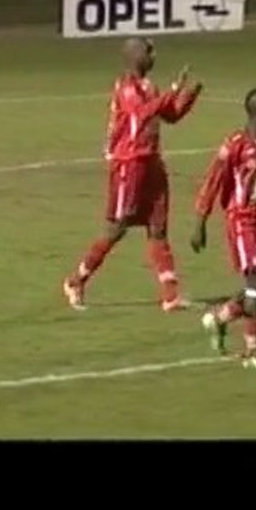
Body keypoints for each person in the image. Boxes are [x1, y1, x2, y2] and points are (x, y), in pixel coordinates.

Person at [64, 37, 201, 312]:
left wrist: (189, 96)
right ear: (135, 56)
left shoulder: (150, 86)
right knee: (117, 227)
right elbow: (141, 114)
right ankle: (76, 280)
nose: (155, 55)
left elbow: (168, 115)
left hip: (151, 161)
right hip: (129, 163)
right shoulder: (126, 88)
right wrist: (174, 89)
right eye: (149, 51)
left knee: (158, 228)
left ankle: (171, 295)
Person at [191, 88, 256, 369]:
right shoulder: (235, 145)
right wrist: (200, 222)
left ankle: (219, 317)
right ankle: (253, 353)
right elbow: (213, 180)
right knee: (254, 289)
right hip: (243, 221)